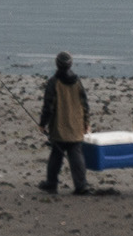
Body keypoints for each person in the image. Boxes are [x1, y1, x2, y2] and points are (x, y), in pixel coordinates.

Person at [38, 51, 96, 193]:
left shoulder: (54, 82)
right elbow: (85, 104)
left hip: (59, 126)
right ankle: (81, 185)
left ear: (57, 64)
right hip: (76, 125)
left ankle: (51, 183)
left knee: (56, 156)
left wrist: (42, 124)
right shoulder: (77, 82)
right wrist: (86, 122)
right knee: (76, 154)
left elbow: (48, 106)